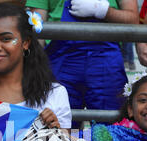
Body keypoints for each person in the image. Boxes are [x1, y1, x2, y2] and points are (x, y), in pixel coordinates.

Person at [25, 0, 139, 128]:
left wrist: (103, 11)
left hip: (105, 60)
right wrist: (32, 66)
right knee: (59, 124)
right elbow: (37, 23)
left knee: (109, 128)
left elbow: (133, 20)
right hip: (61, 60)